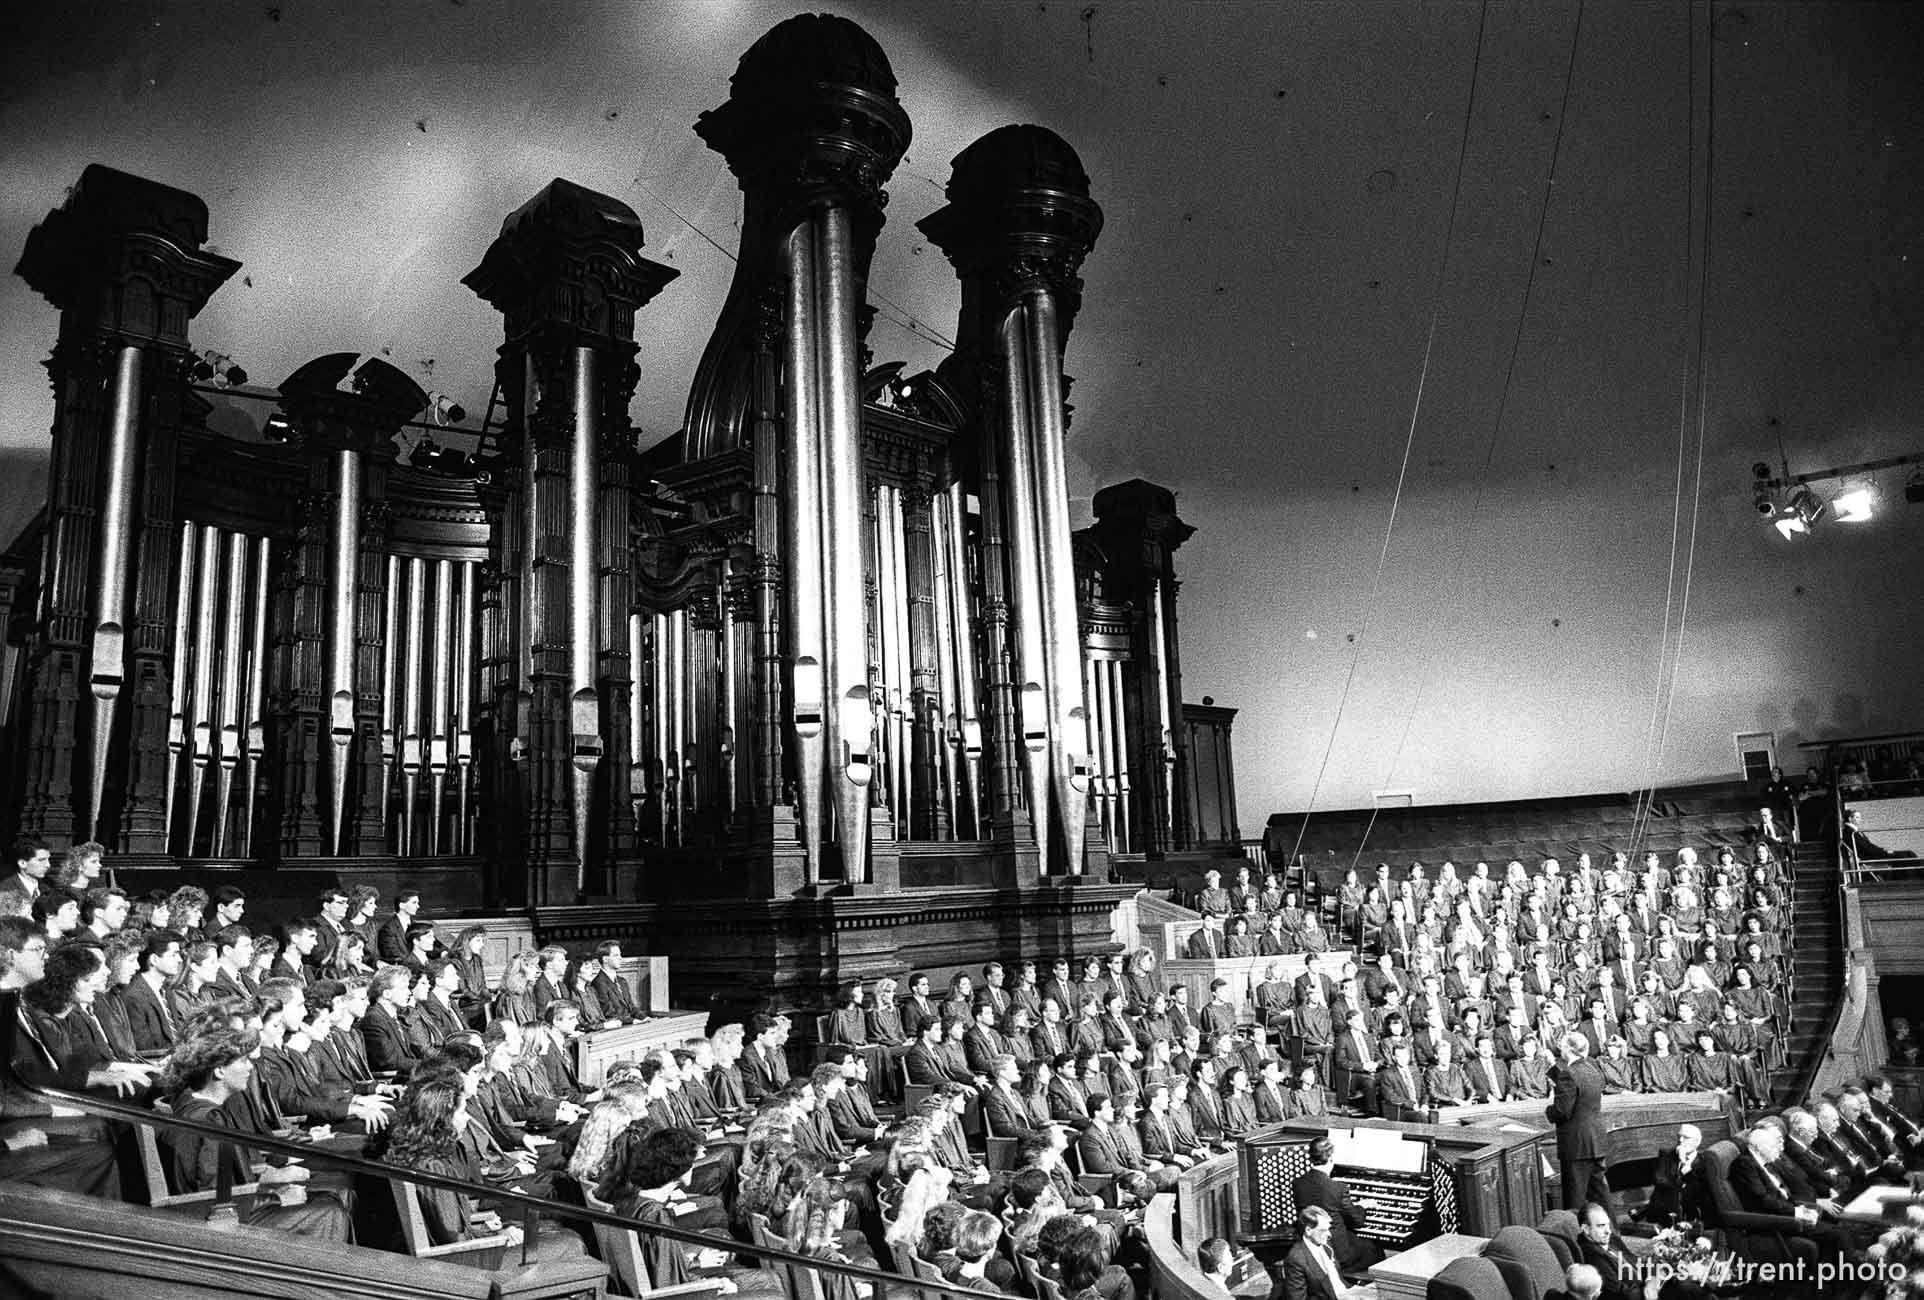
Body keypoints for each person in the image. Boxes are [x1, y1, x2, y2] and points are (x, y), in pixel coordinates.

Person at [1290, 1137, 1379, 1274]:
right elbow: (1357, 1221)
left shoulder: (1298, 1183)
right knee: (1374, 1248)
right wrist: (1362, 1206)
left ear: (1311, 1159)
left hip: (1311, 1245)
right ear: (1331, 1158)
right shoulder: (1337, 1187)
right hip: (1337, 1253)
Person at [1546, 1032, 1610, 1213]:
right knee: (1601, 1196)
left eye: (1562, 1047)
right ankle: (1613, 1236)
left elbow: (1562, 1111)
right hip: (1595, 1141)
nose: (1560, 1050)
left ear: (1568, 1049)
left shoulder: (1568, 1074)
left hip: (1577, 1145)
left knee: (1575, 1199)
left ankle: (1574, 1239)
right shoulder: (1594, 1068)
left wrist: (1549, 1110)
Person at [1275, 1205, 1360, 1300]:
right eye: (1323, 1230)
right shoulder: (1296, 1259)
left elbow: (1336, 1280)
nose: (1329, 1234)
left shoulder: (1325, 1243)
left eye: (1328, 1229)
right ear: (1308, 1230)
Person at [1576, 1201, 1639, 1300]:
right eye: (1601, 1226)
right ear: (1586, 1229)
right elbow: (1621, 1293)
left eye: (1608, 1225)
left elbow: (1635, 1260)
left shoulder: (1611, 1239)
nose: (1608, 1231)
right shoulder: (1593, 1256)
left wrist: (1653, 1276)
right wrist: (1651, 1287)